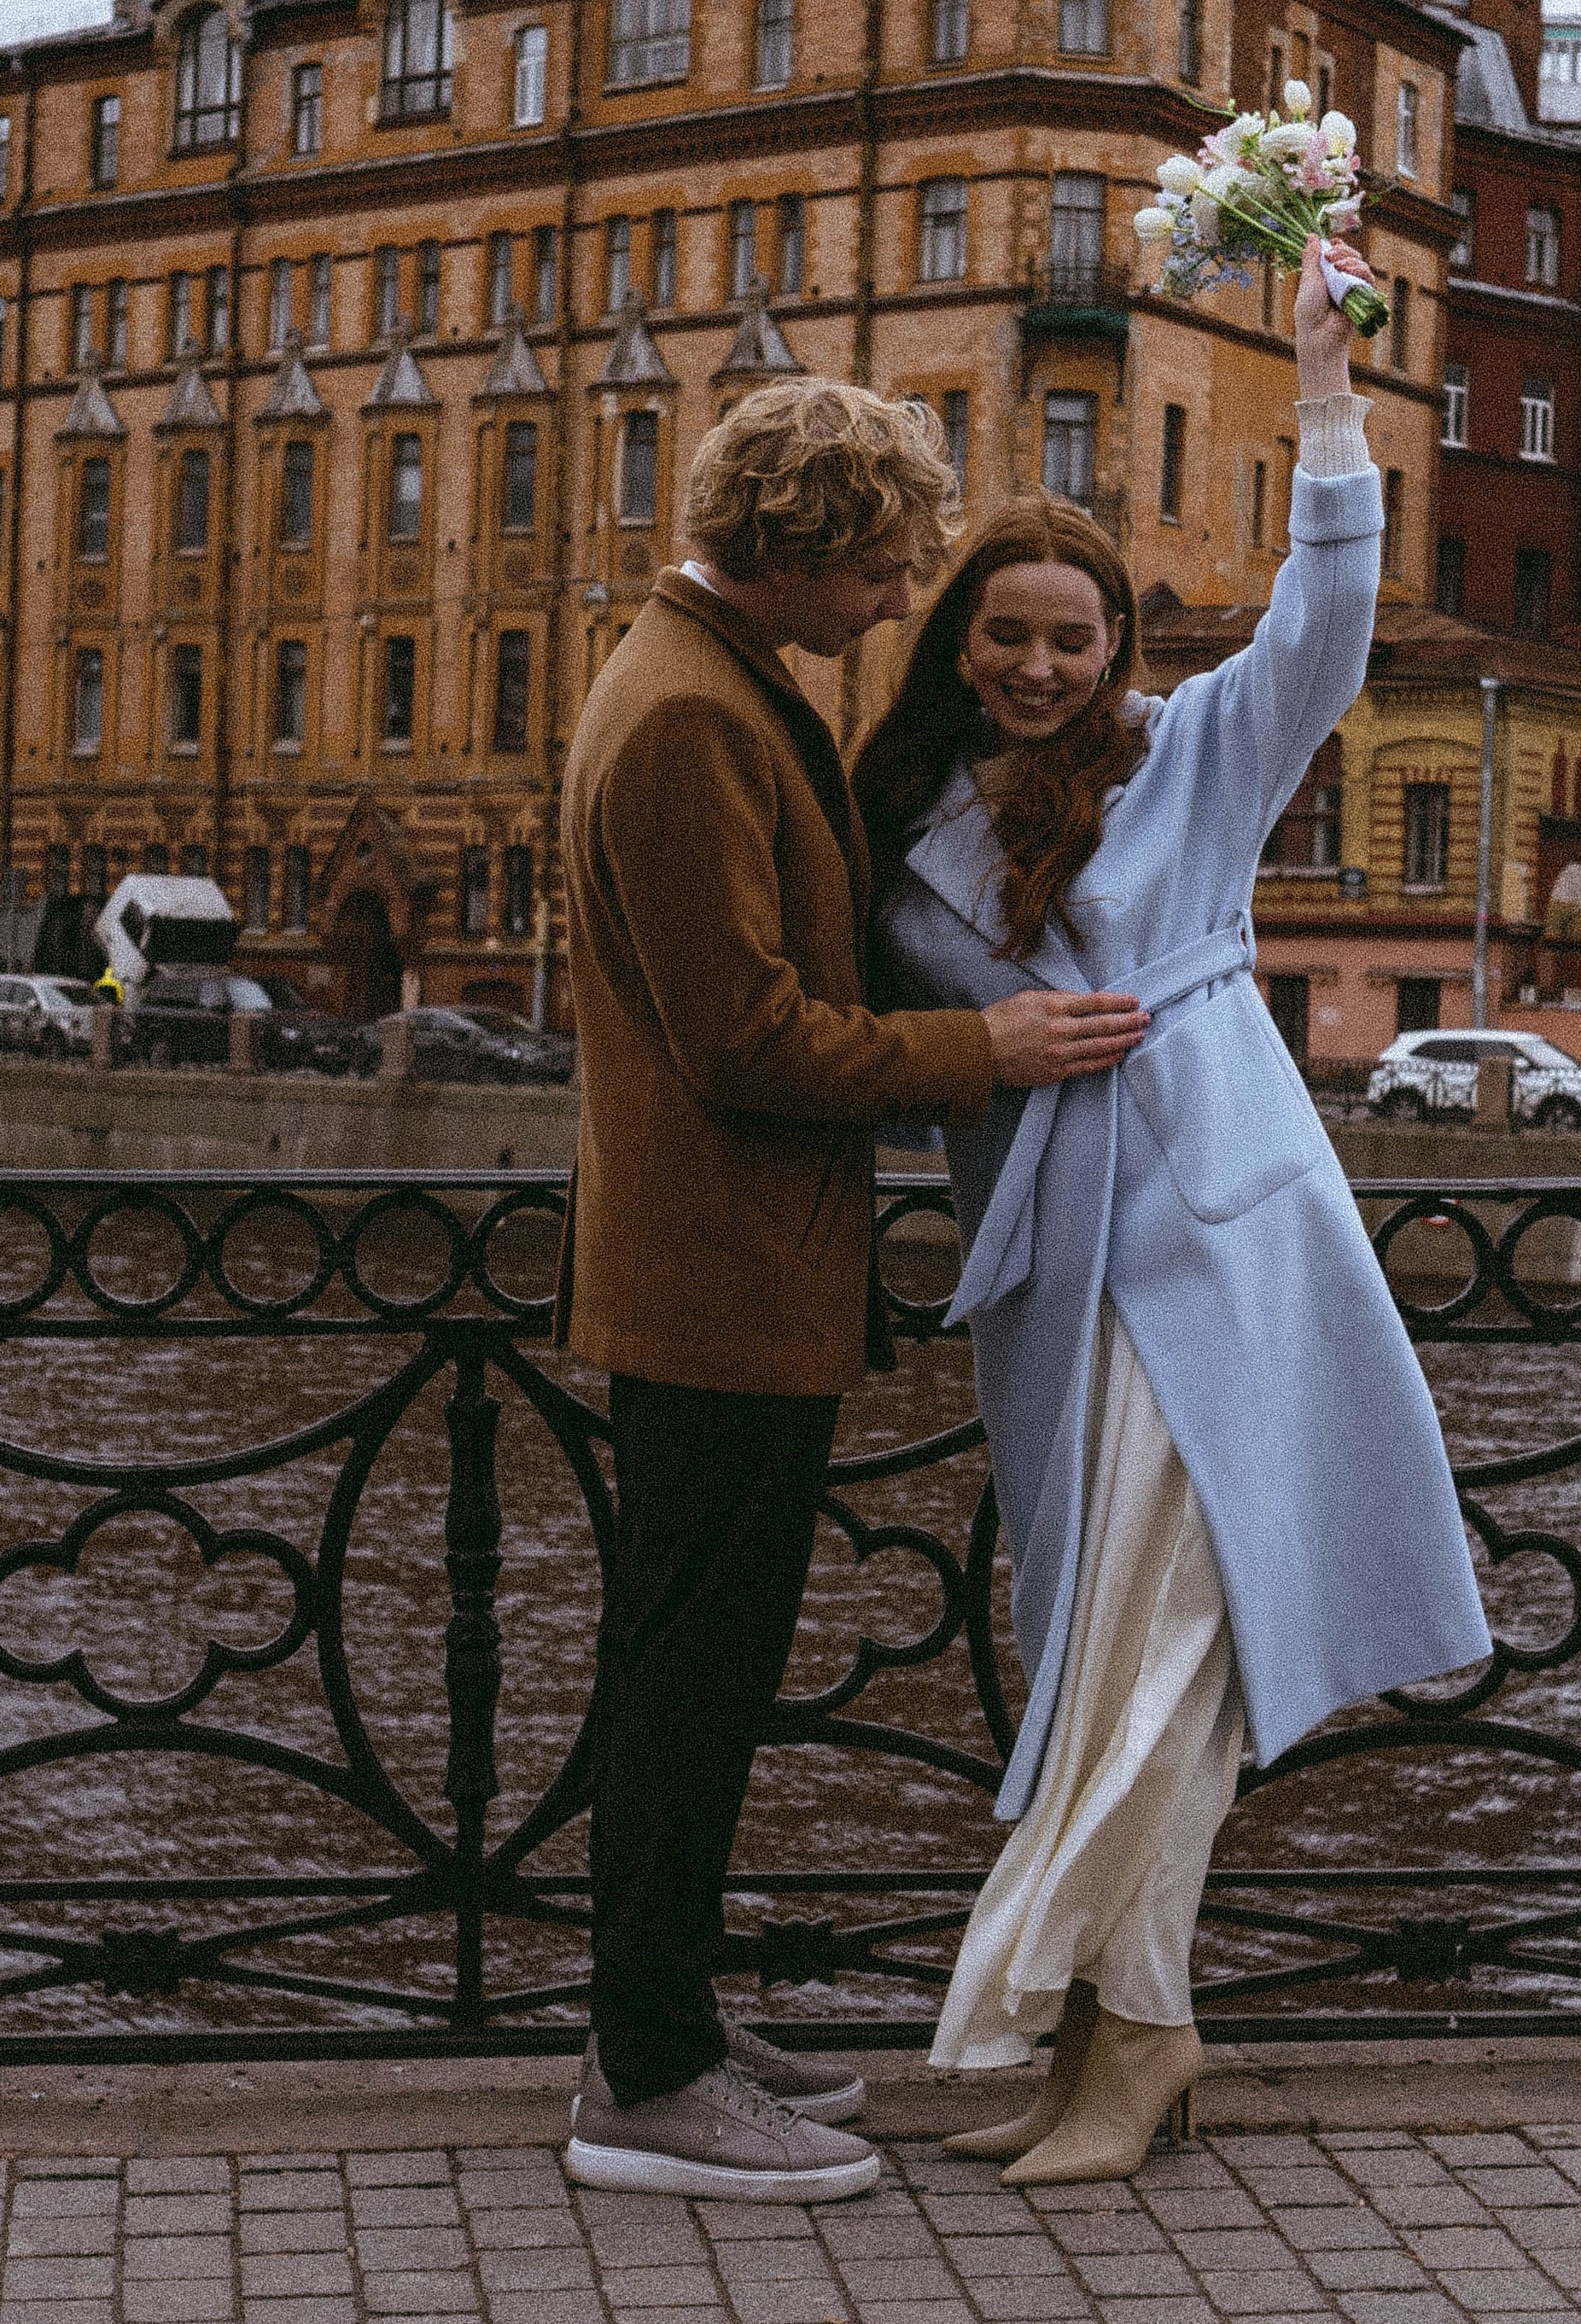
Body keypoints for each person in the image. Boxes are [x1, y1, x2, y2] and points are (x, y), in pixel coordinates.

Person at [855, 248, 1493, 2184]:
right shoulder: (909, 835)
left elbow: (1324, 623)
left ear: (1117, 646)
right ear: (959, 644)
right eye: (1009, 637)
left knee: (1172, 1643)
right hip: (1060, 1283)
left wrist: (1317, 391)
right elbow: (879, 1034)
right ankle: (1113, 2039)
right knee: (1110, 1652)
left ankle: (1113, 2028)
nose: (1043, 666)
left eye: (1075, 637)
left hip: (1222, 1240)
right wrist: (995, 1047)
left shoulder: (1190, 761)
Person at [555, 379, 1146, 2202]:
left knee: (699, 1666)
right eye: (889, 563)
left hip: (735, 1271)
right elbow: (743, 1040)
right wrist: (983, 1046)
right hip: (716, 1274)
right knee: (687, 1675)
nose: (901, 600)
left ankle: (658, 2016)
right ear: (803, 548)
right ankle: (644, 2081)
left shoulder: (707, 682)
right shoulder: (684, 722)